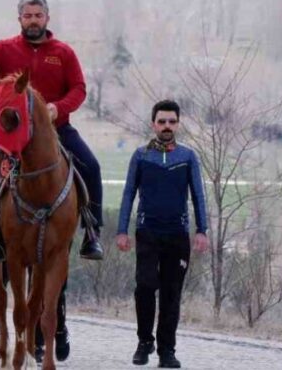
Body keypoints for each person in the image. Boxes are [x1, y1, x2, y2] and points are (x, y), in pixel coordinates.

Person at [0, 0, 104, 262]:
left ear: (47, 18)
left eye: (38, 16)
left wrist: (57, 108)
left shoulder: (63, 53)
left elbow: (79, 89)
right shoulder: (4, 49)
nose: (33, 21)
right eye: (28, 16)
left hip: (56, 130)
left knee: (92, 166)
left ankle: (92, 231)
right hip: (12, 135)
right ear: (19, 19)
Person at [116, 100, 209, 369]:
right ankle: (144, 341)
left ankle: (167, 351)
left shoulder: (188, 157)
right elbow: (128, 193)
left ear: (178, 124)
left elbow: (198, 194)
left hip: (177, 234)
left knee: (171, 293)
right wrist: (122, 230)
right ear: (153, 124)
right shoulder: (141, 156)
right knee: (145, 286)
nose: (167, 126)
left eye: (171, 121)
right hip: (148, 231)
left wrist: (202, 230)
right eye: (162, 122)